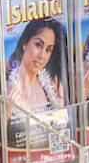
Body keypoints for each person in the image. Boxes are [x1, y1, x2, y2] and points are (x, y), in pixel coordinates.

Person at [5, 18, 69, 149]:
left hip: (51, 160)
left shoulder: (54, 85)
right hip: (20, 161)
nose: (42, 55)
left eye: (49, 49)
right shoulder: (5, 87)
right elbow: (0, 140)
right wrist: (6, 110)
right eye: (38, 45)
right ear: (25, 43)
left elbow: (64, 135)